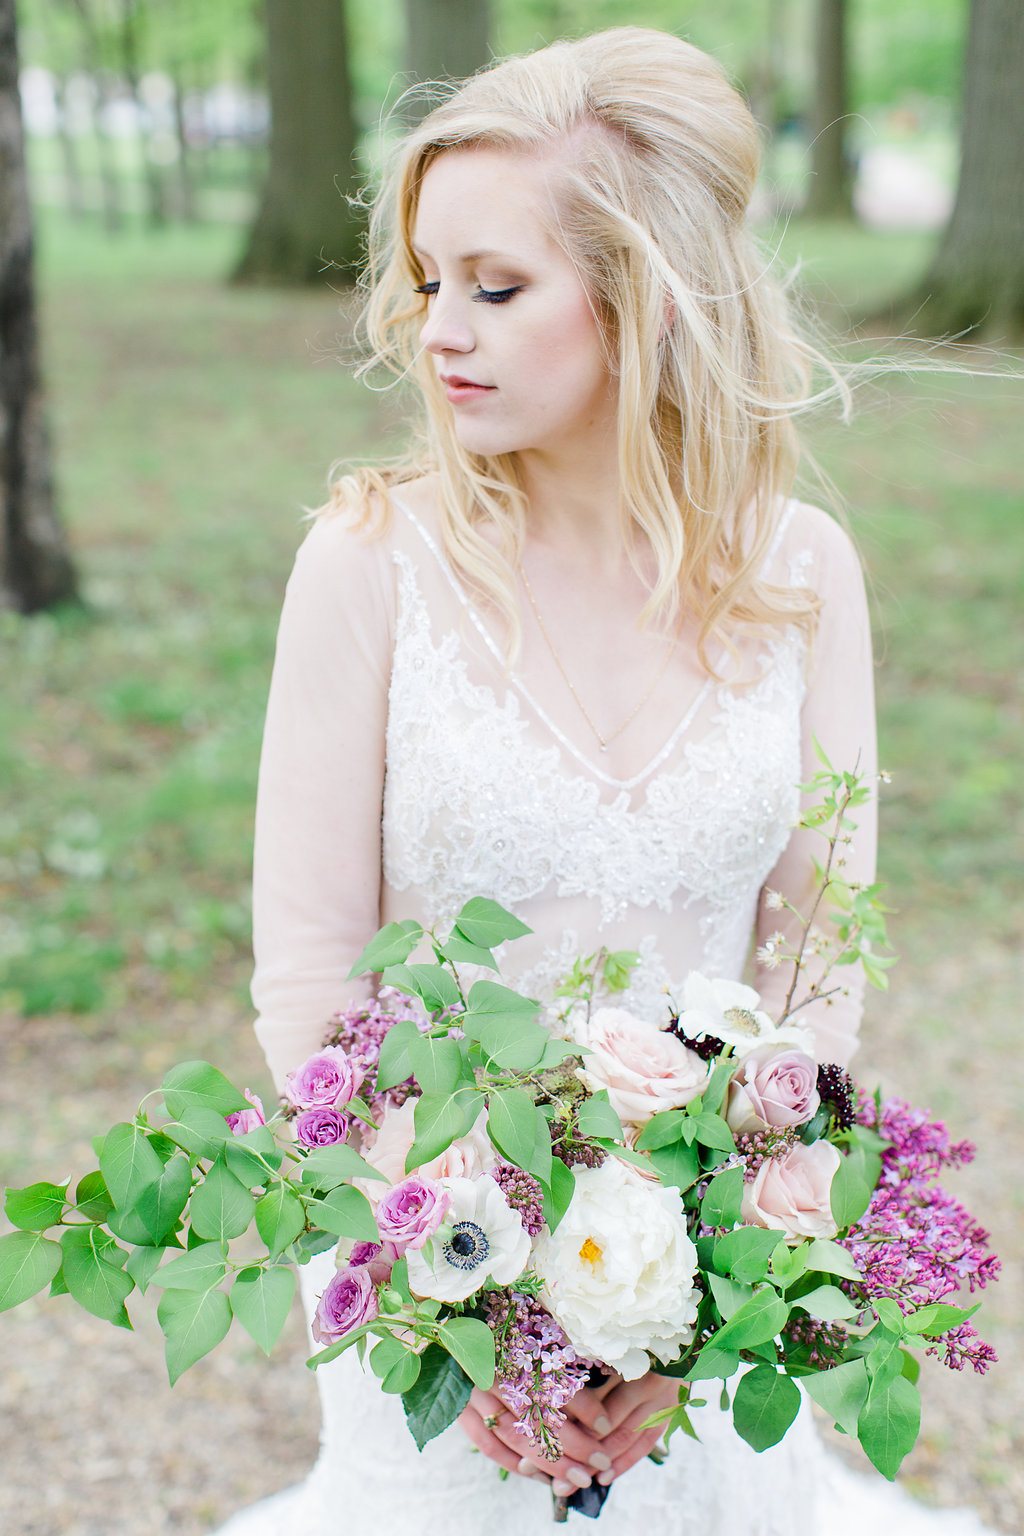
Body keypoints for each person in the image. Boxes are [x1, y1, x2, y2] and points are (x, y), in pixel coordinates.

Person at [213, 28, 992, 1536]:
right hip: (426, 1276)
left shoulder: (802, 575)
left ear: (647, 297)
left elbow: (818, 959)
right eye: (429, 280)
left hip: (700, 1289)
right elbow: (309, 983)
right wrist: (466, 1298)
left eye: (496, 288)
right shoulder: (370, 563)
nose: (441, 331)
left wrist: (698, 1293)